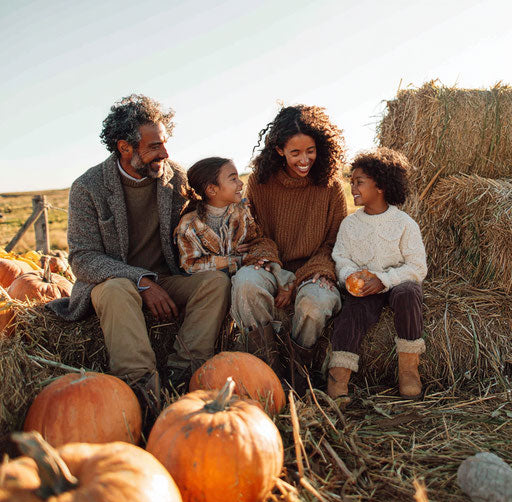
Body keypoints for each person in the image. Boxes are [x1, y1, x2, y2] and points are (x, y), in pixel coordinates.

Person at [48, 95, 230, 414]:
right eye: (155, 146)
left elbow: (211, 216)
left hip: (168, 279)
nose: (165, 153)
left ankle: (182, 373)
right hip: (113, 283)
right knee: (118, 290)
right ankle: (142, 391)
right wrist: (141, 280)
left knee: (215, 283)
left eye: (165, 143)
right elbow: (82, 258)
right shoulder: (88, 188)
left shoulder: (177, 179)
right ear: (125, 147)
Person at [231, 104, 347, 391]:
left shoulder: (331, 186)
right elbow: (254, 231)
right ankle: (266, 372)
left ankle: (298, 375)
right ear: (280, 150)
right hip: (271, 262)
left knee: (316, 302)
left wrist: (310, 274)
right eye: (295, 153)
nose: (304, 159)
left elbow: (335, 240)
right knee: (245, 284)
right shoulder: (259, 182)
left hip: (315, 266)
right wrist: (274, 266)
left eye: (310, 150)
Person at [174, 157, 294, 369]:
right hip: (213, 287)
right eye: (233, 179)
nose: (240, 183)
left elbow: (256, 239)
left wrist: (257, 256)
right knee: (223, 282)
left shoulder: (241, 210)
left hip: (243, 279)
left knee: (252, 281)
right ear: (212, 190)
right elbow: (190, 265)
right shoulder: (189, 225)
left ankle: (271, 359)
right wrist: (233, 261)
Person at [329, 147, 427, 404]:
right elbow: (342, 257)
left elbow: (417, 267)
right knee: (352, 311)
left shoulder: (404, 223)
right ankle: (339, 377)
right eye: (351, 182)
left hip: (395, 282)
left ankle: (408, 370)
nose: (353, 188)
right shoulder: (350, 224)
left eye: (359, 182)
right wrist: (351, 277)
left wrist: (384, 280)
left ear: (381, 186)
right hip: (364, 286)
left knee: (409, 293)